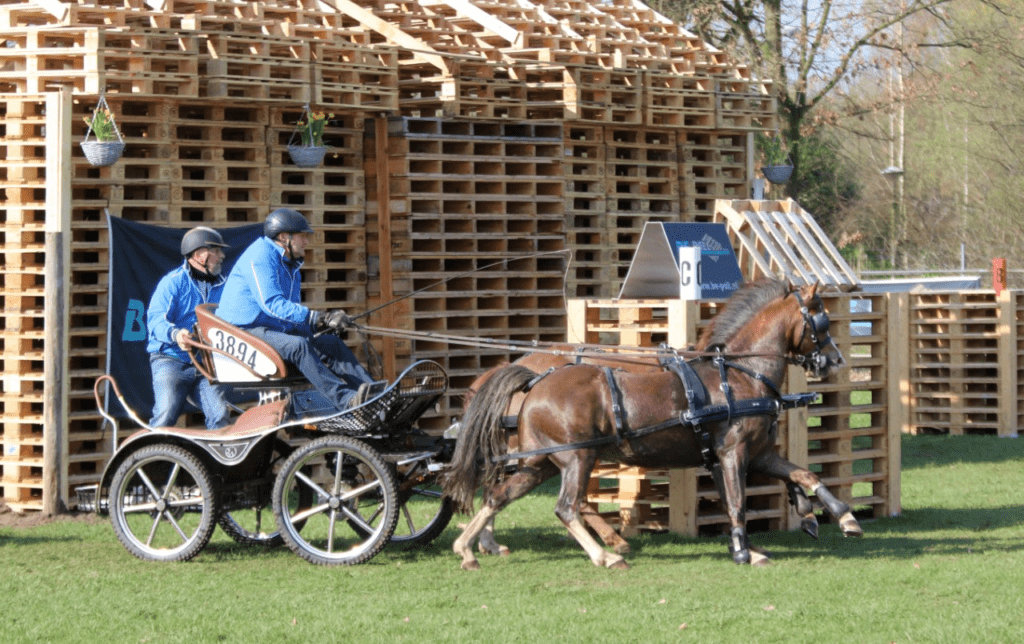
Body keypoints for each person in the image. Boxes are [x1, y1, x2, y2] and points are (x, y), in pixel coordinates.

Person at [217, 208, 379, 411]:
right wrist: (317, 317)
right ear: (284, 237)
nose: (306, 242)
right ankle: (346, 399)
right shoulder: (259, 256)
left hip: (269, 327)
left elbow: (290, 312)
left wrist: (323, 323)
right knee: (298, 346)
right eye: (302, 236)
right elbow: (271, 304)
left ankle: (375, 396)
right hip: (243, 331)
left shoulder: (291, 265)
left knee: (331, 343)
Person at [147, 226, 232, 429]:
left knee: (220, 415)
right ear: (199, 254)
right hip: (170, 358)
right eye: (216, 251)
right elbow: (155, 319)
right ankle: (152, 459)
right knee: (165, 415)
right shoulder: (172, 283)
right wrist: (176, 335)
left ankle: (215, 461)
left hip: (206, 363)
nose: (222, 256)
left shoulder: (228, 285)